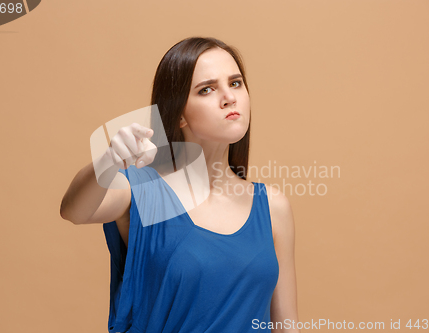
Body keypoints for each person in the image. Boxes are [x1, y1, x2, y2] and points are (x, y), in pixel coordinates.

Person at [60, 36, 300, 333]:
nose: (229, 97)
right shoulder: (142, 190)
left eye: (236, 83)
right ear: (180, 115)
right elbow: (73, 210)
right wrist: (108, 159)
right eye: (207, 89)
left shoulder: (273, 206)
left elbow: (287, 326)